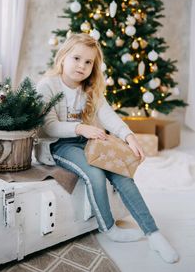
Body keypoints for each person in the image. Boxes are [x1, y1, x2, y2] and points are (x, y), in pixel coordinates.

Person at [37, 33, 179, 264]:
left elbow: (108, 116)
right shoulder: (47, 86)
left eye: (88, 62)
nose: (82, 66)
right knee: (95, 172)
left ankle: (153, 233)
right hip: (58, 145)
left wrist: (129, 136)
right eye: (76, 58)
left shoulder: (89, 88)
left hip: (86, 140)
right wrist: (81, 128)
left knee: (121, 172)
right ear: (63, 57)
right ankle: (109, 228)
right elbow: (50, 127)